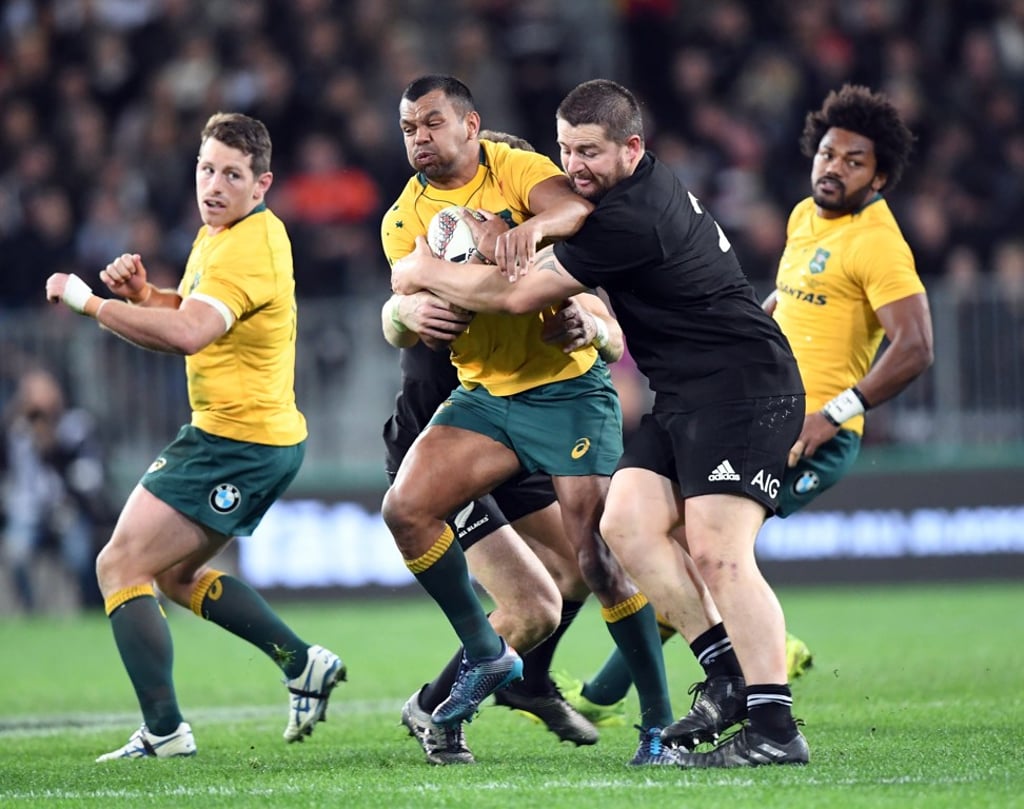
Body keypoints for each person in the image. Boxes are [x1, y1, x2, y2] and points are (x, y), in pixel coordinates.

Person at [391, 78, 809, 768]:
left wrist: (420, 270)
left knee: (717, 550)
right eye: (565, 150)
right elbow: (558, 215)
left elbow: (516, 292)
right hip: (683, 394)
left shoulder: (629, 219)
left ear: (632, 148)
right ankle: (726, 675)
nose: (573, 166)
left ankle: (773, 725)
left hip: (742, 387)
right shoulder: (615, 197)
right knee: (625, 527)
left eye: (589, 150)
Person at [550, 83, 934, 734]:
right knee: (647, 534)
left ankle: (736, 691)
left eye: (854, 161)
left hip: (808, 425)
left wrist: (832, 413)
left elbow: (917, 344)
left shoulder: (878, 244)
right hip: (735, 394)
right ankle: (731, 670)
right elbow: (784, 307)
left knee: (714, 550)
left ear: (883, 175)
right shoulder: (804, 219)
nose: (832, 168)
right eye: (828, 154)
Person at [381, 75, 677, 766]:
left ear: (470, 125)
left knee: (596, 560)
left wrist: (527, 231)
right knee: (405, 510)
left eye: (431, 123)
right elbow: (405, 291)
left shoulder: (517, 168)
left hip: (566, 394)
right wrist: (411, 299)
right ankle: (487, 657)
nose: (419, 137)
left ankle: (658, 724)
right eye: (408, 128)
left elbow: (574, 212)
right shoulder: (402, 215)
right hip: (484, 398)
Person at [45, 112, 344, 762]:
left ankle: (164, 730)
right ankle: (303, 662)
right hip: (235, 435)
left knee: (119, 565)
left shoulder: (248, 245)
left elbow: (190, 336)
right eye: (207, 169)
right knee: (177, 574)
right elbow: (193, 313)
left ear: (261, 184)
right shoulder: (224, 233)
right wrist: (148, 295)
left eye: (232, 174)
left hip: (240, 441)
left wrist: (89, 302)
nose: (214, 184)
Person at [1, 368, 112, 612]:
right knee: (16, 553)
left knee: (80, 554)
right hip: (27, 512)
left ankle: (90, 608)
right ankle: (31, 612)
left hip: (68, 508)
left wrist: (52, 447)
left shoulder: (77, 426)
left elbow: (89, 476)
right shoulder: (16, 431)